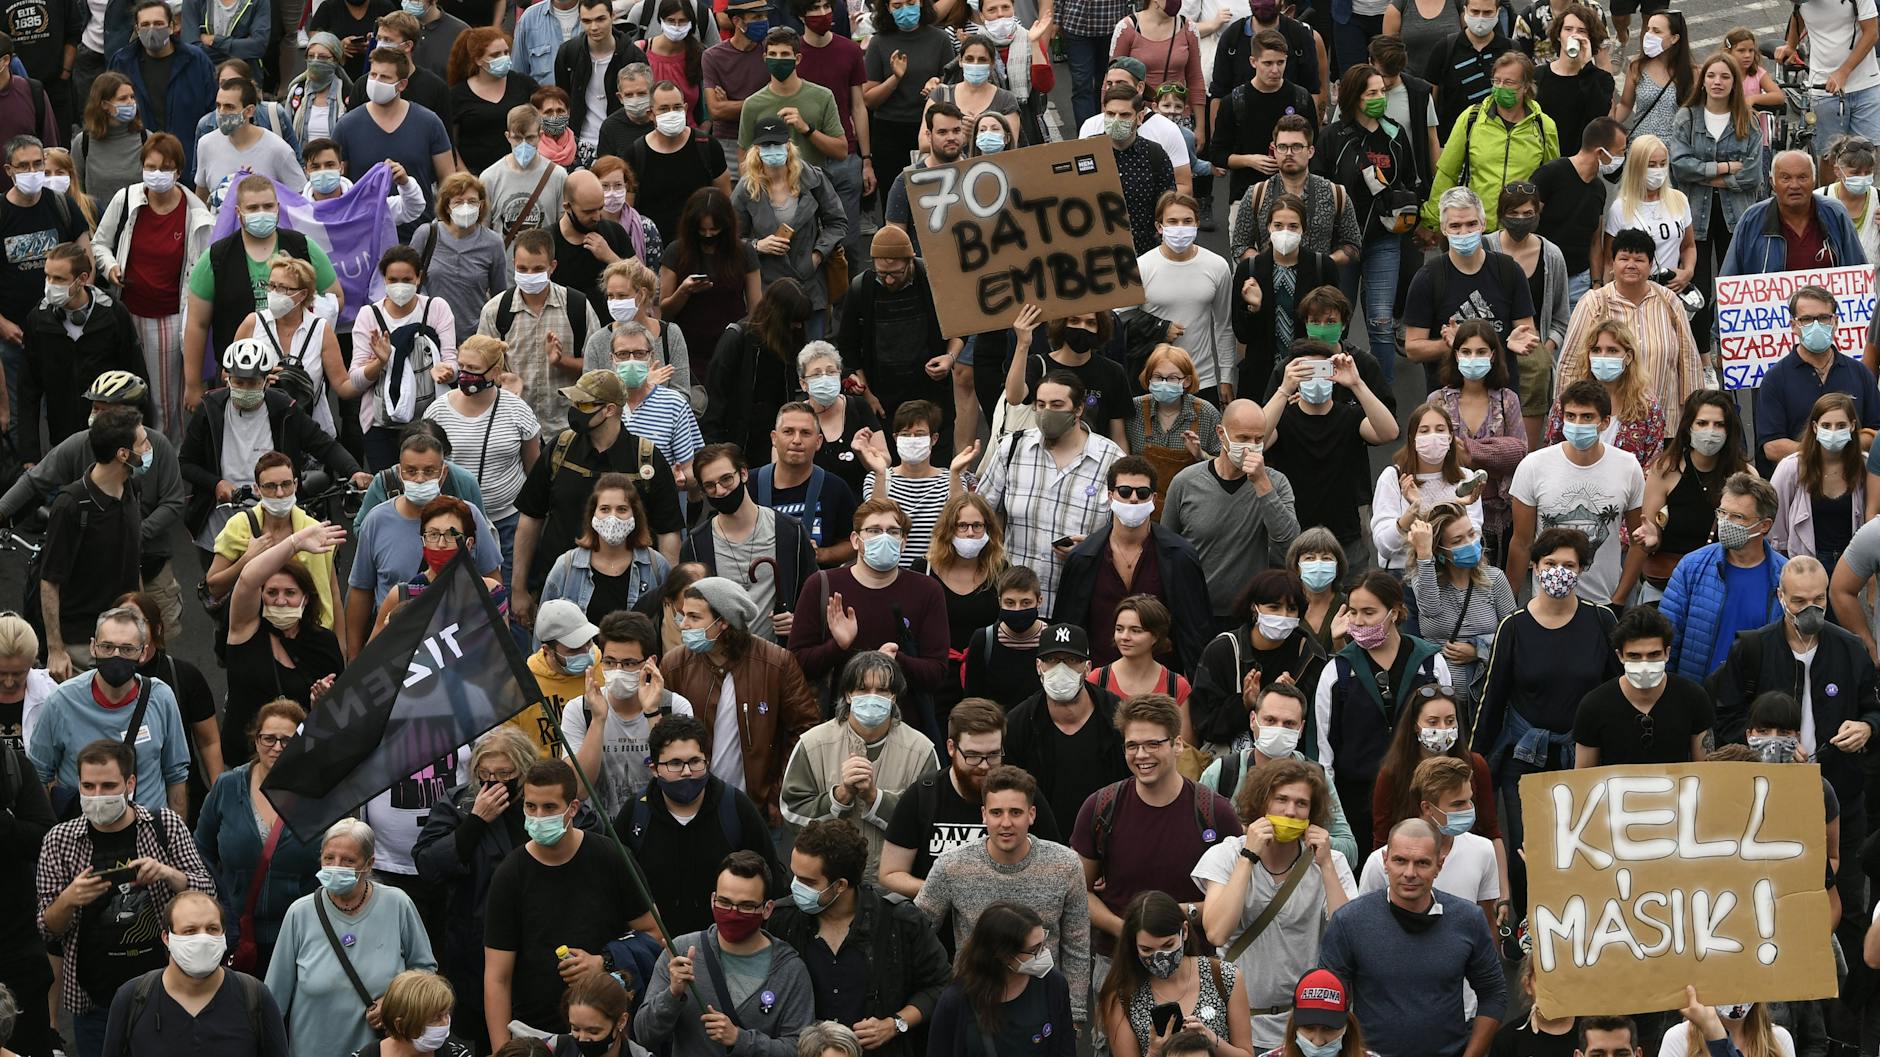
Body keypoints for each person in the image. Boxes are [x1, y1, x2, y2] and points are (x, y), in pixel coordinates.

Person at [1711, 555, 1877, 917]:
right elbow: (1726, 719)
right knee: (1768, 903)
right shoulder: (1753, 649)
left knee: (1845, 902)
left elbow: (1873, 708)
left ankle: (1840, 973)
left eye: (1818, 600)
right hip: (1767, 802)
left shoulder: (1850, 648)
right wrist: (1770, 748)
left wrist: (1867, 727)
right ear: (1781, 596)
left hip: (1841, 797)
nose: (1810, 609)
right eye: (1799, 601)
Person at [35, 738, 215, 1056]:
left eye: (108, 785)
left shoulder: (164, 826)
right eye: (88, 786)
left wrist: (167, 874)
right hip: (94, 1003)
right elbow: (48, 929)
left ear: (130, 783)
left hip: (166, 991)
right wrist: (69, 899)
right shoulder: (59, 840)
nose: (97, 796)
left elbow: (207, 895)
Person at [1071, 694, 1236, 1011]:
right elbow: (1080, 891)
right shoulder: (1101, 808)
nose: (1141, 755)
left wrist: (1179, 915)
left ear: (1177, 744)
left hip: (1193, 967)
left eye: (1152, 744)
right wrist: (1129, 930)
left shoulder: (1215, 812)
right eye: (1132, 745)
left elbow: (1234, 899)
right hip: (1119, 965)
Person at [482, 758, 656, 1046]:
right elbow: (497, 978)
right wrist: (502, 1050)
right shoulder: (510, 875)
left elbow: (656, 934)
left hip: (606, 1029)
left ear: (572, 808)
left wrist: (604, 962)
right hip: (536, 1034)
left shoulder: (612, 858)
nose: (538, 816)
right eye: (530, 807)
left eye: (549, 808)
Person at [1193, 760, 1354, 1050]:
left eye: (1301, 804)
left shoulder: (1329, 860)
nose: (1290, 811)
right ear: (1262, 802)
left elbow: (1349, 938)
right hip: (1240, 1025)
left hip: (1306, 1028)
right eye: (1281, 800)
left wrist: (1327, 866)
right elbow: (1216, 932)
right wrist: (1248, 857)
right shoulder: (1227, 855)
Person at [1318, 820, 1507, 1057]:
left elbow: (1494, 993)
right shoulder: (1349, 922)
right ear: (1385, 861)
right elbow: (1326, 1001)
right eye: (1400, 861)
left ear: (1439, 865)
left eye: (1422, 863)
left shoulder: (1468, 919)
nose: (1410, 873)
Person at [767, 818, 951, 1056]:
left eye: (808, 882)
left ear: (840, 885)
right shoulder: (783, 920)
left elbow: (941, 984)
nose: (795, 887)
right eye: (795, 876)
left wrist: (894, 1024)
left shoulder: (899, 921)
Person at [265, 818, 437, 1057]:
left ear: (369, 864)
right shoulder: (300, 912)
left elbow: (425, 970)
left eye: (348, 861)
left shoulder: (397, 903)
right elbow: (274, 998)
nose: (336, 866)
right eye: (329, 858)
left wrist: (394, 1002)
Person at [1311, 571, 1452, 851]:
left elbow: (1450, 728)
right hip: (1356, 800)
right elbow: (1322, 750)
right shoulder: (1338, 671)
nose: (1359, 621)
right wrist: (1330, 813)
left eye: (1369, 612)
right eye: (1353, 612)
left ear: (1395, 612)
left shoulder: (1429, 664)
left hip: (1419, 792)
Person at [978, 352, 1127, 613]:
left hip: (1079, 604)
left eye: (1057, 405)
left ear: (1078, 409)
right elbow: (980, 513)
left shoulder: (1111, 459)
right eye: (1040, 404)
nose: (1046, 412)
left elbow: (1128, 533)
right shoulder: (1012, 448)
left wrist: (1094, 549)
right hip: (1017, 606)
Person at [181, 175, 344, 411]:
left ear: (278, 208)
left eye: (268, 206)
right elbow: (196, 324)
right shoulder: (216, 257)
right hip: (236, 378)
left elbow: (335, 298)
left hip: (299, 379)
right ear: (238, 212)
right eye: (253, 208)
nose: (262, 212)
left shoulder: (303, 247)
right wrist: (193, 385)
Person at [613, 713, 784, 938]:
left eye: (695, 762)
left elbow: (771, 878)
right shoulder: (635, 813)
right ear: (654, 769)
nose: (687, 772)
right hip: (656, 952)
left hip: (725, 948)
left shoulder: (735, 807)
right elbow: (615, 886)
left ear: (707, 762)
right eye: (675, 763)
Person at [86, 133, 209, 440]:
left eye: (164, 167)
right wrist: (111, 266)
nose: (156, 174)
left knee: (164, 403)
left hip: (167, 319)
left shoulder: (195, 214)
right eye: (150, 166)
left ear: (179, 171)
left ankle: (167, 463)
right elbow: (99, 244)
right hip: (127, 315)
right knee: (126, 395)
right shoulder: (125, 200)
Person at [635, 849, 815, 1057]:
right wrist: (673, 994)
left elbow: (800, 1050)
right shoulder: (681, 952)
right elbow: (644, 1034)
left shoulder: (790, 970)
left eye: (747, 906)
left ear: (767, 909)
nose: (733, 913)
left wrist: (740, 1040)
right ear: (713, 899)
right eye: (724, 902)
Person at [879, 700, 1065, 898]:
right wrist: (951, 890)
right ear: (951, 748)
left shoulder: (1022, 792)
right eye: (973, 756)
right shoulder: (924, 795)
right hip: (937, 924)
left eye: (993, 755)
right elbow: (891, 874)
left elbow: (1055, 867)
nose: (984, 766)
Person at [780, 650, 940, 876]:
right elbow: (792, 814)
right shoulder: (813, 744)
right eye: (863, 689)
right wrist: (840, 796)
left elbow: (930, 823)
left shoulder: (921, 750)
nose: (872, 697)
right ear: (847, 694)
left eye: (882, 690)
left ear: (894, 697)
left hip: (894, 889)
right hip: (829, 883)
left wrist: (875, 798)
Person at [786, 498, 950, 714]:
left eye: (892, 532)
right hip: (836, 721)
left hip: (903, 724)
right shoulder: (821, 585)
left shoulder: (927, 590)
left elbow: (936, 673)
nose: (883, 538)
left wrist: (894, 660)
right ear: (856, 540)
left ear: (904, 542)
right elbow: (797, 663)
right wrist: (837, 646)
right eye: (873, 530)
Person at [193, 699, 316, 981]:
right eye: (268, 738)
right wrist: (217, 900)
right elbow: (200, 851)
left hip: (299, 934)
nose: (276, 747)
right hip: (235, 930)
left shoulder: (317, 793)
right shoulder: (227, 786)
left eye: (287, 740)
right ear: (255, 738)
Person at [345, 433, 503, 652]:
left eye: (429, 471)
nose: (419, 479)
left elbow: (492, 580)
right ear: (400, 473)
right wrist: (353, 657)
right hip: (399, 652)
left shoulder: (469, 515)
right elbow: (360, 591)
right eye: (411, 471)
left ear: (443, 472)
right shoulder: (376, 521)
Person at [1053, 457, 1211, 672]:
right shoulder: (1084, 558)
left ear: (1154, 498)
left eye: (1142, 493)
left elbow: (1195, 631)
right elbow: (1067, 628)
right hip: (1098, 683)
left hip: (1161, 686)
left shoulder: (1179, 556)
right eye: (1125, 492)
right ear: (1110, 496)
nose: (1134, 499)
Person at [95, 887, 290, 1057]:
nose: (203, 939)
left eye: (212, 929)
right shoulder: (132, 999)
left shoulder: (255, 997)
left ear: (223, 935)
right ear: (166, 937)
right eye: (190, 931)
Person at [1313, 67, 1419, 376]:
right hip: (1342, 244)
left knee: (1382, 324)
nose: (1379, 98)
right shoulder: (1333, 136)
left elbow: (1411, 182)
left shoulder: (1396, 135)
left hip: (1384, 241)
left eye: (1382, 92)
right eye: (1371, 93)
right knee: (1334, 324)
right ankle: (1332, 389)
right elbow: (1319, 186)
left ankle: (1382, 397)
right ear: (1354, 97)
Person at [1158, 399, 1297, 627]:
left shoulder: (1276, 482)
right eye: (1243, 438)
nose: (1251, 446)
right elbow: (1166, 548)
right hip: (1195, 611)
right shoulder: (1186, 482)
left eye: (1258, 439)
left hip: (1251, 614)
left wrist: (1262, 484)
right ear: (1222, 434)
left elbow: (1288, 541)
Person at [1507, 380, 1646, 606]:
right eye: (1571, 416)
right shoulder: (1533, 466)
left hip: (1604, 603)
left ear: (1605, 422)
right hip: (1544, 604)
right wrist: (1510, 604)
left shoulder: (1628, 466)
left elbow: (1638, 540)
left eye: (1587, 417)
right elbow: (1521, 543)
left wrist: (1618, 600)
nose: (1577, 423)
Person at [34, 411, 149, 680]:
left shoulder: (132, 488)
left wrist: (146, 620)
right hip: (83, 647)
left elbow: (133, 561)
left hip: (128, 634)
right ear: (123, 454)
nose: (148, 448)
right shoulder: (71, 505)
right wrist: (56, 649)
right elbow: (50, 580)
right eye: (143, 443)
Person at [1261, 345, 1399, 568]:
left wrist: (1356, 383)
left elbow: (1389, 432)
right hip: (1293, 534)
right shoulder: (1283, 419)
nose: (1315, 378)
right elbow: (1257, 440)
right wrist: (1283, 389)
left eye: (1321, 369)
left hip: (1345, 534)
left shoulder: (1351, 416)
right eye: (1307, 371)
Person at [221, 518, 347, 757]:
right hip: (246, 760)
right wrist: (295, 542)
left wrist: (320, 701)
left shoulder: (324, 643)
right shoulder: (246, 630)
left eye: (290, 593)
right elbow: (248, 580)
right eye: (271, 592)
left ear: (306, 598)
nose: (280, 601)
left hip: (301, 760)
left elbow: (339, 712)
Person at [1560, 230, 1703, 432]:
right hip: (1605, 425)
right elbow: (1570, 362)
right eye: (1624, 258)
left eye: (1639, 259)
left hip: (1663, 423)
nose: (1631, 265)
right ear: (1613, 263)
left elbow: (1689, 360)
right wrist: (1565, 414)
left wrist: (1695, 414)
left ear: (1651, 264)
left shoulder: (1669, 301)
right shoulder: (1594, 303)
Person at [1363, 722, 1503, 924]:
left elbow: (1487, 926)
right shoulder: (1379, 863)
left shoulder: (1483, 851)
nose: (1468, 809)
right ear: (1427, 808)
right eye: (1458, 804)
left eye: (1469, 800)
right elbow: (1366, 928)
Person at [17, 243, 144, 465]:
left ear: (82, 278)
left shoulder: (113, 315)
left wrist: (139, 440)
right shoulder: (38, 321)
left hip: (112, 438)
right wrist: (30, 456)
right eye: (47, 277)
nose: (50, 285)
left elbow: (136, 376)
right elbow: (28, 391)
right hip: (62, 438)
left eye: (59, 279)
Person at [1671, 50, 1765, 343]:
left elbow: (1752, 175)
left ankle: (1731, 348)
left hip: (1735, 217)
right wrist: (1725, 168)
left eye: (1725, 76)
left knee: (1733, 285)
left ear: (1735, 83)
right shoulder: (1686, 117)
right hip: (1694, 215)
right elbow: (1680, 167)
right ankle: (1700, 352)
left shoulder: (1748, 120)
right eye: (1711, 75)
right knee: (1697, 286)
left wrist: (1706, 176)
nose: (1717, 82)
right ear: (1702, 81)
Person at [1659, 471, 1787, 680]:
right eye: (1722, 513)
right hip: (1697, 698)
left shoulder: (1785, 577)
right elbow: (1667, 638)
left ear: (1765, 525)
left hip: (1755, 703)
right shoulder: (1692, 567)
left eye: (1738, 517)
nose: (1725, 523)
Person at [1097, 890, 1254, 1057]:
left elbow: (1246, 1054)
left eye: (1168, 945)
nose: (1159, 958)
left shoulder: (1224, 976)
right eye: (1147, 949)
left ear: (1184, 931)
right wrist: (1154, 1052)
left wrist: (1211, 1039)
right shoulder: (1123, 996)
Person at [732, 116, 846, 340]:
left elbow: (838, 222)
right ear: (756, 149)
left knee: (813, 354)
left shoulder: (813, 179)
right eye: (766, 145)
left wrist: (817, 254)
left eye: (777, 144)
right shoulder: (746, 189)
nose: (772, 150)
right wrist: (757, 245)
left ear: (788, 145)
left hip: (810, 286)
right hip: (769, 290)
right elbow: (730, 238)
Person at [842, 230, 952, 449]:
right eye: (882, 273)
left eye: (897, 273)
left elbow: (958, 326)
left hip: (931, 396)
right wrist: (868, 396)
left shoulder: (933, 279)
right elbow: (848, 346)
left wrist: (950, 357)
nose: (889, 279)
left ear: (911, 261)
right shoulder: (861, 289)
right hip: (883, 401)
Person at [1753, 284, 1880, 474]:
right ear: (1794, 326)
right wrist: (1827, 451)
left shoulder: (1860, 373)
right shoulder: (1775, 379)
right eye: (1806, 319)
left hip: (1854, 483)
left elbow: (1876, 434)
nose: (1816, 325)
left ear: (1835, 322)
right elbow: (1772, 447)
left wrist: (1837, 448)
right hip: (1798, 484)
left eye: (1823, 318)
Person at [926, 902, 1078, 1057]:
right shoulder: (955, 1001)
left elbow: (1065, 1049)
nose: (1044, 953)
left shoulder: (1053, 984)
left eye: (1043, 944)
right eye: (1034, 949)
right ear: (1004, 955)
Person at [331, 47, 455, 229]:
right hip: (364, 233)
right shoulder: (346, 126)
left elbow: (448, 178)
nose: (376, 82)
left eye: (385, 77)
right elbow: (339, 182)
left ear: (402, 85)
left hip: (419, 233)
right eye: (373, 75)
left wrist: (445, 224)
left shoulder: (429, 122)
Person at [1573, 606, 1714, 766]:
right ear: (1620, 656)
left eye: (1654, 654)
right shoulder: (1593, 706)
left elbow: (1706, 770)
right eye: (1634, 656)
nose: (1644, 664)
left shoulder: (1694, 698)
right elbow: (1582, 778)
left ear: (1667, 653)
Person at [1233, 194, 1340, 397]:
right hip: (1261, 376)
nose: (1285, 232)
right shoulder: (1249, 269)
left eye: (1293, 226)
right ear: (1268, 227)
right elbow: (1241, 332)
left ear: (1303, 229)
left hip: (1312, 373)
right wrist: (1253, 308)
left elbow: (1339, 324)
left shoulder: (1322, 267)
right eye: (1278, 225)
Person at [1135, 191, 1237, 402]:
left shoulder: (1217, 266)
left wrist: (1226, 378)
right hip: (1153, 379)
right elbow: (1121, 320)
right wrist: (1159, 327)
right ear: (1159, 227)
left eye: (1187, 221)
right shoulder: (1141, 267)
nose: (1180, 227)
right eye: (1172, 221)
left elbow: (1224, 325)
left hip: (1202, 379)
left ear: (1197, 224)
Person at [1228, 115, 1359, 268]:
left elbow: (1353, 244)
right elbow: (1239, 245)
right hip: (1268, 287)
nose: (1289, 153)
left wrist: (1324, 264)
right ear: (1275, 151)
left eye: (1296, 147)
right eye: (1282, 147)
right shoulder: (1256, 194)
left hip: (1318, 287)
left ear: (1310, 151)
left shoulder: (1335, 194)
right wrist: (1265, 266)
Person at [1370, 404, 1486, 574]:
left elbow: (1472, 541)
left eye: (1440, 429)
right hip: (1405, 574)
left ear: (1450, 437)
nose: (1433, 436)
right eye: (1424, 431)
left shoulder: (1466, 478)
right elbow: (1385, 546)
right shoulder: (1392, 478)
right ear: (1412, 439)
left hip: (1452, 572)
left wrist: (1458, 507)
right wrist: (1413, 510)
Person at [660, 187, 762, 380]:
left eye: (714, 229)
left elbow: (756, 310)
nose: (708, 235)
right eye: (702, 230)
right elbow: (664, 311)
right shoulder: (676, 252)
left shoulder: (744, 252)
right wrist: (684, 291)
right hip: (688, 348)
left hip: (731, 347)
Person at [107, 0, 216, 180]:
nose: (151, 30)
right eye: (145, 25)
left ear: (172, 27)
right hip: (137, 166)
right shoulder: (122, 62)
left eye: (158, 24)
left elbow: (212, 113)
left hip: (188, 165)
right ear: (136, 29)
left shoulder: (196, 61)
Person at [1212, 30, 1318, 213]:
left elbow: (1315, 147)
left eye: (1280, 62)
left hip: (1295, 199)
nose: (1275, 70)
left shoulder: (1301, 98)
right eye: (1268, 63)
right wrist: (1249, 160)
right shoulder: (1234, 101)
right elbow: (1217, 154)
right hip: (1245, 198)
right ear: (1253, 62)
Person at [1721, 151, 1869, 277]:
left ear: (1814, 180)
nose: (1794, 185)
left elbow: (1858, 271)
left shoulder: (1835, 213)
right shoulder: (1752, 219)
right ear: (1772, 182)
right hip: (1771, 310)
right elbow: (1730, 280)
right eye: (1785, 178)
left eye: (1802, 177)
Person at [1546, 318, 1668, 467]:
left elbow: (1652, 461)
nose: (1603, 356)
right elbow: (1552, 448)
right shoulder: (1569, 400)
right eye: (1596, 350)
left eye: (1612, 350)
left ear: (1628, 357)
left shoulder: (1647, 407)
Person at [1004, 310, 1132, 451]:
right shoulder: (1038, 365)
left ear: (1100, 328)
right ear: (1062, 324)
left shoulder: (1113, 372)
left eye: (1091, 323)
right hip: (1041, 457)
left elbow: (1118, 435)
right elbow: (1014, 397)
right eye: (1074, 321)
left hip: (1093, 463)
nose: (1082, 327)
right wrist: (1022, 344)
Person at [1534, 116, 1626, 305]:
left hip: (1578, 283)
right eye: (1620, 153)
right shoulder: (1551, 174)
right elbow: (1527, 224)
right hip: (1542, 278)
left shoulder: (1598, 188)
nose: (1621, 159)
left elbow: (1595, 241)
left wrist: (1597, 284)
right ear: (1600, 152)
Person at [1771, 393, 1867, 570]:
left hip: (1853, 562)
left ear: (1853, 426)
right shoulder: (1791, 468)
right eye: (1826, 425)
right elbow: (1777, 522)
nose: (1833, 432)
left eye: (1841, 426)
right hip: (1806, 564)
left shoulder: (1865, 466)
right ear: (1815, 427)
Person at [1774, 0, 1880, 151]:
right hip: (1823, 88)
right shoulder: (1802, 3)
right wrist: (1791, 45)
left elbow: (1871, 33)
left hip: (1866, 85)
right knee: (1829, 154)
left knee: (1866, 156)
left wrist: (1843, 71)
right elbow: (1798, 15)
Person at [855, 402, 952, 566]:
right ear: (895, 438)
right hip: (887, 575)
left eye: (920, 434)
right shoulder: (876, 478)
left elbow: (957, 525)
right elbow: (872, 525)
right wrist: (880, 472)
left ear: (934, 439)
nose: (912, 440)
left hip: (935, 576)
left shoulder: (950, 480)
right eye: (906, 435)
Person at [1126, 345, 1222, 501]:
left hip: (1190, 503)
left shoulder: (1206, 413)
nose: (1164, 383)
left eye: (1172, 378)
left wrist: (1200, 455)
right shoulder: (1134, 410)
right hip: (1141, 503)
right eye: (1157, 377)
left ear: (1186, 381)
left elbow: (1225, 466)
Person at [555, 0, 644, 163]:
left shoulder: (633, 56)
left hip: (622, 143)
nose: (594, 27)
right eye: (586, 21)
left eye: (600, 19)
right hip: (580, 144)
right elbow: (562, 99)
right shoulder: (568, 52)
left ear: (613, 16)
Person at [448, 29, 544, 177]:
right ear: (478, 60)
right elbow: (450, 143)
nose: (504, 58)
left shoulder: (523, 84)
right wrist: (467, 177)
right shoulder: (457, 95)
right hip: (477, 176)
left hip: (523, 172)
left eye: (506, 52)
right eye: (495, 55)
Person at [1098, 85, 1179, 257]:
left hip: (1144, 255)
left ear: (1140, 117)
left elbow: (1168, 207)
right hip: (1097, 256)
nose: (1116, 120)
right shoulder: (1086, 152)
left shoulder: (1155, 156)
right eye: (1111, 114)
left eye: (1125, 115)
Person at [195, 78, 301, 204]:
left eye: (229, 107)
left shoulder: (278, 149)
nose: (221, 112)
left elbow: (299, 198)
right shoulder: (206, 144)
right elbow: (201, 196)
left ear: (249, 111)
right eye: (218, 105)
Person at [961, 566, 1050, 709]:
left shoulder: (1052, 639)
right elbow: (972, 699)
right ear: (999, 601)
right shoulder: (984, 639)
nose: (1017, 609)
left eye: (1026, 603)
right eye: (1010, 603)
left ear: (1039, 601)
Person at [1424, 0, 1514, 130]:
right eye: (1475, 12)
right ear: (1465, 10)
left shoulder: (1510, 49)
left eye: (1487, 13)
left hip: (1499, 135)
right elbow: (1431, 100)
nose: (1480, 18)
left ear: (1498, 12)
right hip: (1453, 136)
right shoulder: (1445, 48)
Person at [70, 73, 146, 210]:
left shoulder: (146, 139)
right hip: (99, 223)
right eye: (123, 99)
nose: (131, 102)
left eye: (132, 97)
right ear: (104, 104)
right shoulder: (83, 143)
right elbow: (76, 190)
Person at [597, 64, 655, 158]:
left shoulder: (664, 120)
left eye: (641, 93)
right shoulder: (610, 127)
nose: (635, 99)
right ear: (620, 98)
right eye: (629, 95)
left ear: (652, 92)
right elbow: (605, 168)